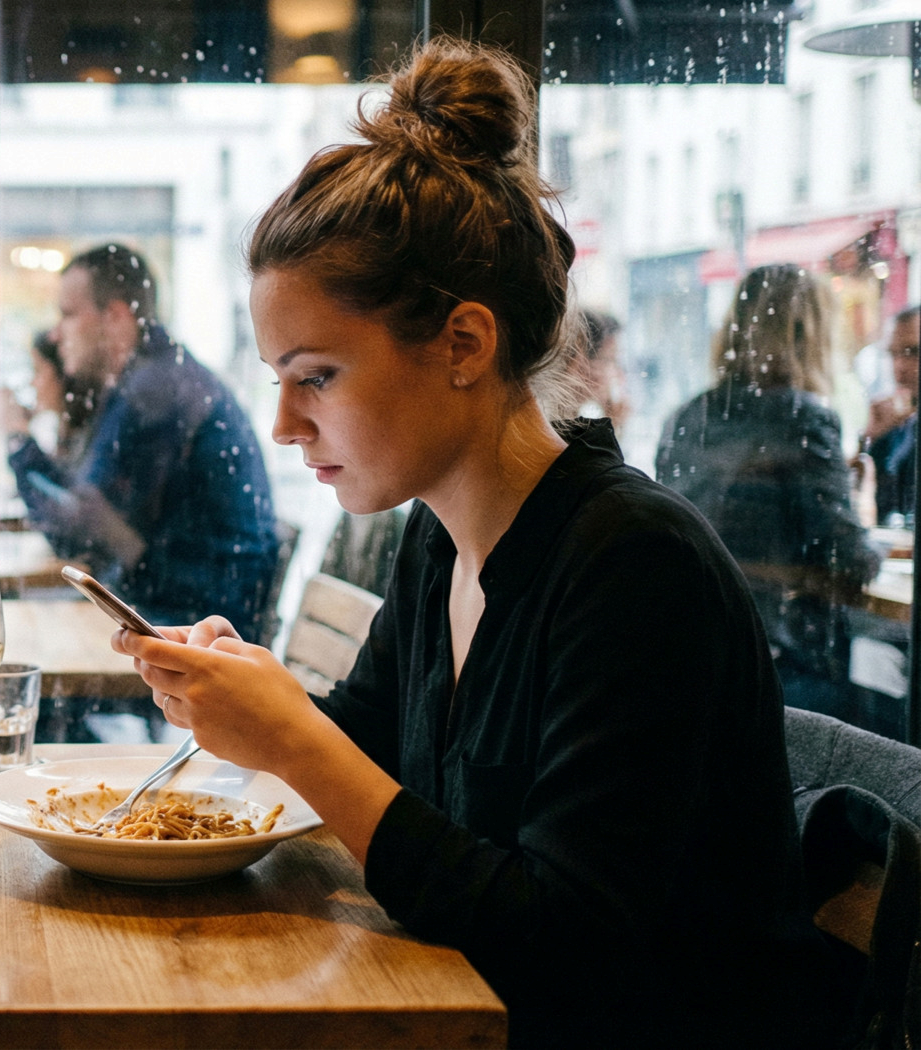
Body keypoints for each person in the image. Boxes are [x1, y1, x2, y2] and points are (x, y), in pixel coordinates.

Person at [116, 40, 845, 1048]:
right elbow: (370, 744)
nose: (282, 424)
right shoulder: (436, 534)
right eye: (277, 378)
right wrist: (250, 699)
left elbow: (562, 944)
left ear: (462, 344)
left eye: (314, 376)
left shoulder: (632, 563)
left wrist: (293, 739)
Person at [3, 243, 279, 635]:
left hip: (199, 631)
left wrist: (18, 442)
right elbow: (89, 513)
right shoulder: (155, 378)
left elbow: (80, 530)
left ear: (115, 317)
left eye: (67, 314)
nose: (55, 332)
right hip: (184, 611)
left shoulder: (154, 392)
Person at [656, 264, 880, 719]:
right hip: (778, 667)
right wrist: (865, 501)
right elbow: (852, 561)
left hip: (690, 658)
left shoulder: (688, 416)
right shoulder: (805, 418)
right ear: (810, 335)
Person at [0, 330, 99, 474]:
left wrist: (18, 432)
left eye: (37, 371)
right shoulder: (67, 433)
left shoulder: (88, 434)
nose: (32, 382)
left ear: (61, 375)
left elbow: (60, 491)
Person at [861, 305, 919, 525]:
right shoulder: (897, 424)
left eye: (913, 352)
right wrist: (871, 437)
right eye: (893, 354)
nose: (899, 367)